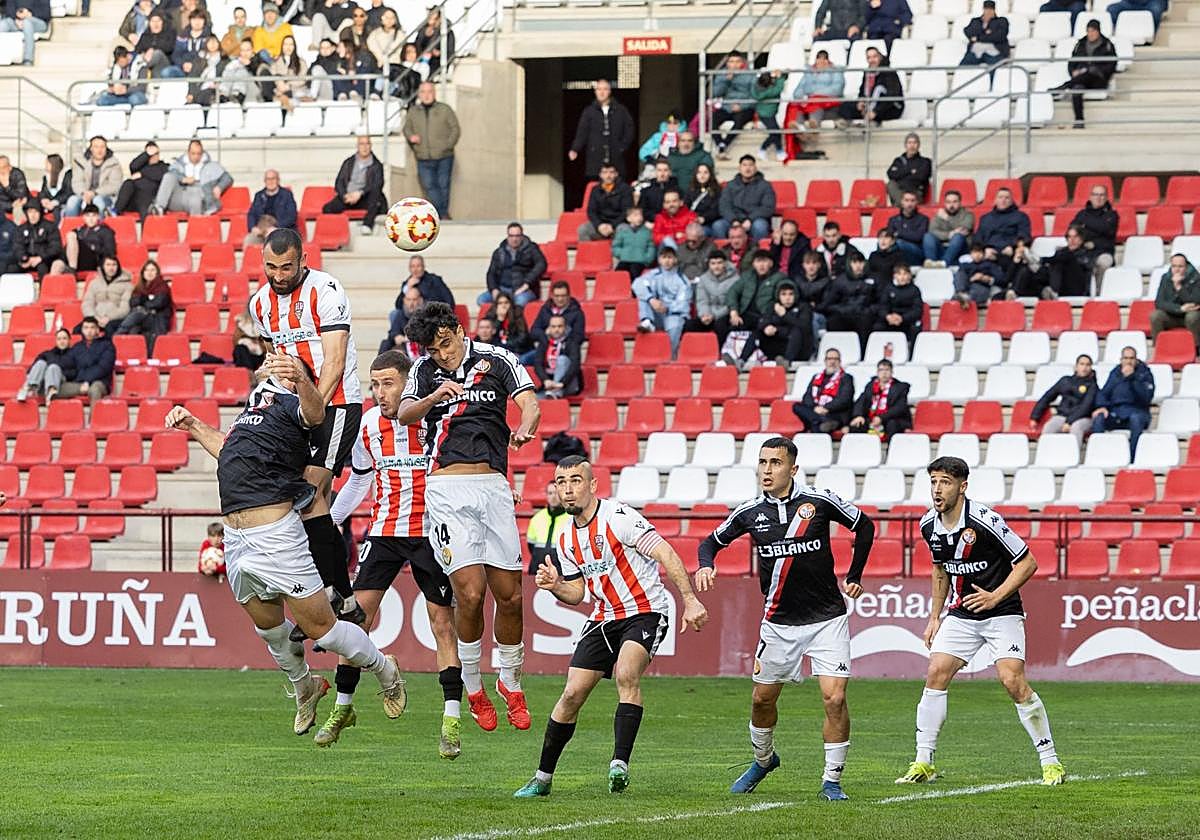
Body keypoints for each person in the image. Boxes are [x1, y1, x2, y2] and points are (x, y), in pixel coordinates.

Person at [165, 354, 407, 736]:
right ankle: (305, 687)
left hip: (275, 535)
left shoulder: (293, 404)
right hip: (237, 539)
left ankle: (384, 668)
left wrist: (301, 379)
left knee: (323, 631)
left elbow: (315, 415)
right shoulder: (252, 412)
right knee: (270, 629)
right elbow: (228, 450)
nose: (267, 361)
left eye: (278, 362)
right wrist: (193, 424)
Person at [516, 456, 708, 798]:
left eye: (576, 481)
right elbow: (577, 594)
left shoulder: (618, 518)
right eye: (561, 482)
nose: (568, 489)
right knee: (572, 694)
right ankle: (542, 779)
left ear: (592, 486)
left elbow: (664, 552)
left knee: (625, 673)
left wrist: (690, 600)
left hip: (645, 609)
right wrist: (556, 584)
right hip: (604, 616)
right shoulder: (564, 540)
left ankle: (619, 764)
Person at [697, 437, 873, 799]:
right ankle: (763, 760)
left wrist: (854, 575)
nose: (766, 469)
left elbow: (865, 526)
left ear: (792, 469)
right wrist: (705, 565)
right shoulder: (748, 512)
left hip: (827, 618)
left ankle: (832, 781)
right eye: (762, 462)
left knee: (834, 699)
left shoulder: (818, 501)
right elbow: (709, 543)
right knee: (762, 701)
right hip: (778, 623)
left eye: (775, 463)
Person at [397, 301, 541, 732]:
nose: (442, 354)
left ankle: (510, 682)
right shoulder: (424, 371)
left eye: (445, 343)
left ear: (459, 330)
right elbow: (402, 414)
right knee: (472, 594)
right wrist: (434, 395)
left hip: (494, 486)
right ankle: (474, 683)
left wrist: (526, 425)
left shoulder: (498, 359)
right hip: (446, 488)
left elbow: (529, 404)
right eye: (433, 349)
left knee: (511, 595)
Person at [324, 350, 465, 757]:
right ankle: (343, 708)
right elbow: (358, 481)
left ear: (408, 383)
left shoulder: (433, 419)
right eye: (374, 385)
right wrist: (328, 519)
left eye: (388, 383)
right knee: (355, 623)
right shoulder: (367, 425)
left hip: (429, 533)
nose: (380, 392)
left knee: (442, 624)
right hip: (384, 533)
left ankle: (451, 721)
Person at [897, 457, 1064, 787]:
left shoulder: (985, 520)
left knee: (1012, 681)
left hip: (1002, 611)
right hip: (963, 613)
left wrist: (995, 596)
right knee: (936, 672)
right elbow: (940, 569)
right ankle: (923, 761)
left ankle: (1051, 761)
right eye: (933, 481)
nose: (937, 488)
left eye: (944, 482)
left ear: (962, 487)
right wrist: (934, 617)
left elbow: (1028, 562)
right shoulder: (928, 524)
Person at [249, 228, 367, 631]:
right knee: (304, 502)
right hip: (293, 408)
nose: (278, 275)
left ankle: (334, 595)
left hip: (336, 403)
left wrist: (314, 408)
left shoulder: (327, 291)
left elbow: (334, 362)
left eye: (286, 267)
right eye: (270, 266)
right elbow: (275, 358)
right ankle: (341, 597)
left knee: (311, 492)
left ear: (303, 259)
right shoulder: (260, 303)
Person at [404, 81, 461, 220]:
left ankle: (441, 215)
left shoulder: (445, 109)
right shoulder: (413, 111)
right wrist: (411, 137)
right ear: (419, 94)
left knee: (443, 186)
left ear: (434, 93)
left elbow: (455, 129)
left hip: (444, 156)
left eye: (429, 91)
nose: (426, 95)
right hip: (423, 157)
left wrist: (447, 145)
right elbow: (407, 128)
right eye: (423, 92)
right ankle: (443, 214)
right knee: (429, 187)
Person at [1090, 346, 1154, 459]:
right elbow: (1104, 392)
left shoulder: (1144, 373)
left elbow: (1146, 397)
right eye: (1125, 358)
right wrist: (1102, 406)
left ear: (1136, 359)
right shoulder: (1115, 373)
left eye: (1131, 358)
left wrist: (1132, 378)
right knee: (1099, 418)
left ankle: (1133, 457)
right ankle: (1098, 455)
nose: (1128, 361)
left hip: (1138, 411)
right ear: (1121, 359)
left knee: (1136, 419)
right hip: (1116, 412)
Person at [724, 248, 785, 365]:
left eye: (764, 261)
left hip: (763, 316)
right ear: (753, 264)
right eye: (758, 261)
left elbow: (785, 290)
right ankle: (723, 357)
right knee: (721, 324)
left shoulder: (778, 277)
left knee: (757, 332)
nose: (761, 265)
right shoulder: (747, 276)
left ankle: (740, 361)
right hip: (744, 314)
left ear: (771, 263)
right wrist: (734, 311)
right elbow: (732, 292)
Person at [1054, 20, 1117, 129]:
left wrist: (1095, 70)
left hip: (1098, 79)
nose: (1090, 34)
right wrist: (1073, 72)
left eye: (1092, 31)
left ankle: (1064, 87)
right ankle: (1079, 120)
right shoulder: (1081, 44)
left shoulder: (1107, 45)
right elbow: (1072, 62)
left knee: (1088, 72)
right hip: (1081, 79)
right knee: (1077, 89)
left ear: (1098, 31)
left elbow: (1111, 65)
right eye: (1088, 31)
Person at [569, 78, 635, 181]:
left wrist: (622, 146)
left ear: (609, 91)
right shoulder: (589, 111)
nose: (602, 92)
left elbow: (629, 129)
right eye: (599, 89)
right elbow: (582, 132)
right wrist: (575, 149)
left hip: (615, 156)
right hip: (596, 157)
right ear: (595, 92)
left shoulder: (621, 110)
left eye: (605, 89)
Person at [633, 246, 692, 356]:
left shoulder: (682, 280)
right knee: (644, 297)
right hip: (655, 314)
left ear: (675, 260)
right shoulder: (653, 274)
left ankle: (670, 357)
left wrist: (666, 307)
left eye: (670, 257)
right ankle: (647, 321)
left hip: (672, 315)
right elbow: (637, 284)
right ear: (659, 260)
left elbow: (684, 304)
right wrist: (651, 299)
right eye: (664, 257)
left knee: (674, 326)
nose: (667, 261)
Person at [1030, 354, 1097, 447]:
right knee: (1049, 427)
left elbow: (1086, 407)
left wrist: (1069, 422)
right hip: (1062, 416)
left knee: (1076, 427)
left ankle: (1074, 455)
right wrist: (1035, 417)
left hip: (1083, 418)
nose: (1084, 367)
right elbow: (1047, 397)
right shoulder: (1065, 381)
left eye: (1088, 365)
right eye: (1082, 364)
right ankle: (1045, 454)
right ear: (1076, 366)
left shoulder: (1092, 385)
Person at [323, 135, 387, 234]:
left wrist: (360, 193)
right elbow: (339, 182)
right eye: (362, 144)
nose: (365, 147)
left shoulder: (377, 165)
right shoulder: (349, 162)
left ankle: (367, 225)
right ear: (357, 146)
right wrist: (345, 195)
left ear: (371, 146)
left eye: (367, 144)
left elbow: (378, 184)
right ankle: (335, 233)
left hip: (365, 198)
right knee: (327, 208)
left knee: (377, 196)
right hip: (348, 198)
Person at [151, 140, 233, 217]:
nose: (196, 156)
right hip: (180, 194)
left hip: (199, 195)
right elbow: (172, 173)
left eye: (199, 154)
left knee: (196, 197)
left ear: (202, 153)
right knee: (168, 176)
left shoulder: (211, 166)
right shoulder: (179, 164)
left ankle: (196, 229)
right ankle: (159, 207)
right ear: (188, 153)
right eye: (193, 153)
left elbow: (228, 178)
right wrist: (183, 179)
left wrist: (219, 187)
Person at [743, 280, 813, 368]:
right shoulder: (773, 306)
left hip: (798, 350)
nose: (787, 298)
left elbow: (804, 327)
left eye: (791, 294)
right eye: (783, 294)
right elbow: (762, 321)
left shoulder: (803, 307)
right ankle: (741, 360)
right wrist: (766, 327)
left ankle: (786, 361)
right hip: (776, 347)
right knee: (757, 333)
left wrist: (784, 315)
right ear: (778, 296)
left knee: (796, 331)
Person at [785, 50, 843, 146]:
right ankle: (800, 129)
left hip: (827, 101)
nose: (820, 64)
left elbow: (837, 89)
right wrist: (801, 97)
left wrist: (814, 93)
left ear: (827, 61)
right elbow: (799, 88)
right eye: (818, 61)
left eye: (823, 61)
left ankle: (814, 125)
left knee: (815, 103)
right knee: (795, 105)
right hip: (809, 100)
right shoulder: (809, 72)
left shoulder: (835, 71)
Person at [115, 260, 173, 352]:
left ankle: (116, 335)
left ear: (157, 273)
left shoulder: (162, 286)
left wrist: (143, 301)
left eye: (152, 270)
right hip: (143, 319)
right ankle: (131, 356)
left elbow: (158, 303)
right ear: (143, 273)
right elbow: (132, 303)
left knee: (139, 312)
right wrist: (146, 300)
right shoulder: (139, 287)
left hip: (157, 319)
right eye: (146, 270)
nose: (149, 273)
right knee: (133, 329)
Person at [482, 222, 545, 306]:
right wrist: (494, 289)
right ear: (507, 236)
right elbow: (491, 273)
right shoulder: (499, 252)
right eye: (511, 236)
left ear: (522, 236)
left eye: (517, 236)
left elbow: (541, 264)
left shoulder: (532, 249)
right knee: (481, 300)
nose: (514, 239)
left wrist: (527, 284)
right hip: (502, 289)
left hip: (524, 289)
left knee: (520, 301)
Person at [714, 154, 776, 241]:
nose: (747, 168)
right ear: (739, 168)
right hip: (734, 220)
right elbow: (724, 206)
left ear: (755, 168)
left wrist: (750, 220)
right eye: (744, 165)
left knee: (760, 226)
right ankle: (726, 252)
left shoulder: (765, 185)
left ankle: (757, 253)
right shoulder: (730, 185)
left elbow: (768, 207)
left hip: (755, 220)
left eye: (750, 165)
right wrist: (734, 220)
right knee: (718, 225)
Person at [794, 348, 855, 433]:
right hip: (815, 410)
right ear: (825, 361)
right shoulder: (816, 377)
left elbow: (844, 399)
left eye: (835, 359)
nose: (832, 362)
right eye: (829, 359)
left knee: (817, 424)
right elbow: (807, 397)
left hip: (833, 413)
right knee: (796, 406)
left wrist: (826, 408)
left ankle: (816, 423)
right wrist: (815, 408)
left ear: (840, 361)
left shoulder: (846, 378)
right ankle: (819, 421)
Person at [836, 47, 903, 125]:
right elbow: (862, 90)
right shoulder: (867, 72)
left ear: (880, 57)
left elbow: (891, 96)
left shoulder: (889, 72)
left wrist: (875, 111)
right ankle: (852, 124)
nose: (872, 60)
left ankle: (871, 121)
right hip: (870, 105)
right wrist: (860, 101)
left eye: (874, 56)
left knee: (879, 90)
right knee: (844, 106)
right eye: (869, 57)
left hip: (891, 107)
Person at [825, 251, 876, 351]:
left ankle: (863, 354)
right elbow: (829, 304)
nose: (858, 266)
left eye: (860, 262)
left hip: (864, 315)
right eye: (855, 262)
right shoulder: (839, 281)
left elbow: (880, 301)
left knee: (866, 321)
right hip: (844, 314)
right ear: (849, 264)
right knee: (833, 321)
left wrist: (869, 310)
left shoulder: (874, 279)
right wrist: (843, 310)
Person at [709, 51, 757, 158]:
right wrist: (726, 80)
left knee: (739, 120)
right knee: (713, 120)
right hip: (727, 107)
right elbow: (715, 93)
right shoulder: (722, 74)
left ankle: (725, 144)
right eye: (731, 61)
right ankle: (720, 144)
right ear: (727, 63)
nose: (734, 64)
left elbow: (755, 96)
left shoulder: (750, 75)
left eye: (737, 61)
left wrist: (741, 106)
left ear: (742, 63)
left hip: (744, 107)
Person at [686, 250, 738, 346]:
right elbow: (702, 300)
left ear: (725, 264)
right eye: (713, 263)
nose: (716, 266)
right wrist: (705, 314)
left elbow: (733, 303)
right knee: (689, 325)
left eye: (719, 263)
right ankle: (695, 353)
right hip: (708, 314)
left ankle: (721, 354)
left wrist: (714, 315)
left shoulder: (736, 279)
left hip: (726, 314)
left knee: (720, 325)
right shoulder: (703, 279)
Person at [849, 358, 911, 438]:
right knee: (857, 425)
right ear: (877, 372)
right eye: (881, 370)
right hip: (872, 417)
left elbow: (899, 408)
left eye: (887, 370)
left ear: (892, 372)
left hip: (891, 418)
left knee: (892, 425)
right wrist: (858, 415)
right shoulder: (870, 386)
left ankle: (891, 450)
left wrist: (881, 418)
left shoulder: (900, 387)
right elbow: (861, 401)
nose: (884, 373)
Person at [56, 316, 115, 400]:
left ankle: (94, 413)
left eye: (92, 327)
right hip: (80, 383)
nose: (89, 331)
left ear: (98, 330)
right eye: (86, 328)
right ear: (82, 330)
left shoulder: (107, 345)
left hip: (99, 382)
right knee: (53, 387)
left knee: (94, 389)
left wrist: (86, 380)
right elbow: (67, 364)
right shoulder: (77, 347)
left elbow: (103, 368)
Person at [1070, 184, 1118, 285]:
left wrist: (1087, 227)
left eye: (1102, 195)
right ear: (1090, 197)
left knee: (1104, 262)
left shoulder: (1112, 215)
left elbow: (1106, 229)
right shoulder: (1082, 213)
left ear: (1106, 197)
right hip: (1083, 250)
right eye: (1095, 194)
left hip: (1103, 251)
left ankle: (1099, 293)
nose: (1098, 198)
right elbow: (1072, 230)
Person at [65, 136, 122, 218]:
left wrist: (95, 193)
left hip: (105, 196)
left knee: (98, 201)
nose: (99, 150)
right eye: (96, 147)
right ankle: (71, 229)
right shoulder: (81, 162)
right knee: (72, 201)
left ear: (106, 148)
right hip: (84, 195)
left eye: (102, 147)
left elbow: (114, 186)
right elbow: (77, 182)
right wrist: (84, 193)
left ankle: (99, 229)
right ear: (91, 148)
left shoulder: (114, 164)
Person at [1149, 255, 1200, 345]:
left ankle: (1196, 349)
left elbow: (1195, 301)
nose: (1177, 269)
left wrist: (1179, 287)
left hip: (1192, 315)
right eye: (1174, 266)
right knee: (1155, 315)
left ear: (1186, 266)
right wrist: (1180, 308)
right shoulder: (1165, 278)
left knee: (1192, 317)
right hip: (1172, 315)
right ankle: (1158, 347)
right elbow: (1159, 303)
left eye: (1180, 266)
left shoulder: (1196, 278)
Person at [578, 162, 632, 243]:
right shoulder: (595, 190)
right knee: (583, 229)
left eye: (611, 172)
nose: (608, 175)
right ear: (600, 175)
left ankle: (619, 254)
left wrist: (613, 226)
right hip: (600, 224)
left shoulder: (625, 189)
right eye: (605, 172)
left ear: (616, 174)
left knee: (625, 230)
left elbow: (627, 211)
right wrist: (599, 225)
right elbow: (591, 211)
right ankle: (589, 254)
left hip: (618, 224)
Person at [16, 327, 74, 402]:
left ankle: (51, 392)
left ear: (69, 340)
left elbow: (75, 372)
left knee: (53, 367)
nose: (62, 341)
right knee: (41, 363)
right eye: (59, 339)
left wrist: (60, 371)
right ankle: (28, 387)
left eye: (64, 338)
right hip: (42, 384)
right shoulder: (47, 354)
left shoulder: (74, 355)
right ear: (56, 341)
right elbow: (34, 367)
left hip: (61, 383)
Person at [525, 482, 570, 575]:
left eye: (557, 493)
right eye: (550, 493)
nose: (553, 496)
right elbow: (531, 545)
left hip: (562, 570)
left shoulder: (571, 519)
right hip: (537, 567)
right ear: (546, 495)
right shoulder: (537, 518)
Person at [114, 142, 168, 220]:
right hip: (132, 200)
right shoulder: (139, 166)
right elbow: (133, 166)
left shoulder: (163, 166)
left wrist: (142, 174)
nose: (153, 156)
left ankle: (145, 232)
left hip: (148, 200)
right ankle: (115, 211)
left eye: (156, 153)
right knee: (128, 183)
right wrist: (147, 154)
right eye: (150, 154)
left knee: (144, 202)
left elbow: (160, 174)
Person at [533, 314, 582, 399]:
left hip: (567, 384)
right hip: (549, 386)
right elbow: (537, 364)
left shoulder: (572, 342)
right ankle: (553, 393)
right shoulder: (544, 343)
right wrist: (545, 380)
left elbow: (575, 365)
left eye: (560, 326)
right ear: (549, 328)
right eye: (553, 326)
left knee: (562, 359)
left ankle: (555, 392)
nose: (556, 329)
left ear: (565, 328)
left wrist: (562, 383)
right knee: (532, 400)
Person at [975, 188, 1031, 260]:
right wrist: (984, 249)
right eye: (1000, 197)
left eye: (1007, 198)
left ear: (1011, 201)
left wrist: (1013, 247)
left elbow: (1023, 236)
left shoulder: (1021, 217)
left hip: (1010, 251)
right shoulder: (985, 218)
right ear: (995, 200)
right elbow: (978, 238)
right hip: (989, 252)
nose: (1003, 200)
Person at [873, 263, 922, 345]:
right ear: (894, 276)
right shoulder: (888, 289)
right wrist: (887, 316)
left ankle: (912, 355)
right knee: (877, 327)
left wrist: (902, 318)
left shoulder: (915, 290)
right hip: (890, 320)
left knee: (915, 328)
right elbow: (882, 306)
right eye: (899, 274)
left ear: (910, 275)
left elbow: (917, 310)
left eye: (905, 274)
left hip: (907, 320)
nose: (902, 277)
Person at [923, 189, 974, 267]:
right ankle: (931, 263)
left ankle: (944, 262)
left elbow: (963, 229)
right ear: (944, 203)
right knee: (928, 236)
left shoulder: (968, 215)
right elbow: (932, 231)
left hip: (960, 251)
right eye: (948, 202)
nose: (951, 205)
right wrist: (949, 234)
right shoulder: (939, 215)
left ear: (960, 203)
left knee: (958, 237)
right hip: (942, 248)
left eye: (955, 202)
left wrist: (947, 218)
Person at [1042, 225, 1096, 299]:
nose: (1072, 240)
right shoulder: (1061, 252)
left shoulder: (1087, 253)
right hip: (1062, 285)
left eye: (1075, 237)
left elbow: (1087, 268)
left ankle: (1054, 292)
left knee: (1065, 259)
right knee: (1039, 271)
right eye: (1069, 237)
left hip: (1078, 288)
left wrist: (1042, 260)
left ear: (1081, 239)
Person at [15, 204, 66, 278]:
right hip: (28, 260)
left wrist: (41, 258)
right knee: (12, 268)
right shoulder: (21, 229)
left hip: (46, 259)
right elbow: (18, 247)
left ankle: (44, 289)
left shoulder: (50, 227)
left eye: (35, 212)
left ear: (40, 213)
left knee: (42, 268)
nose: (33, 215)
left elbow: (56, 247)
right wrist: (24, 258)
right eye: (30, 212)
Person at [530, 280, 586, 346]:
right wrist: (546, 335)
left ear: (568, 296)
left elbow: (578, 337)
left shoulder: (577, 313)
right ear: (552, 296)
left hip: (566, 351)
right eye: (557, 296)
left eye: (563, 296)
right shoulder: (545, 310)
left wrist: (561, 334)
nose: (560, 299)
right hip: (545, 348)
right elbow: (534, 331)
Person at [482, 291, 534, 360]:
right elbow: (490, 338)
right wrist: (499, 320)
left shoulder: (517, 314)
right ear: (496, 305)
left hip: (518, 351)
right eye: (500, 303)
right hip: (500, 352)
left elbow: (522, 338)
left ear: (510, 304)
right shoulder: (491, 316)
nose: (503, 306)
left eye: (506, 303)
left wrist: (505, 346)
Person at [65, 206, 117, 275]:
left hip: (94, 260)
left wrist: (94, 248)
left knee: (71, 236)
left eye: (94, 216)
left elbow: (111, 251)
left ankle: (72, 270)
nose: (91, 219)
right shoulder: (80, 230)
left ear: (98, 217)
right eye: (88, 216)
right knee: (57, 264)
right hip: (78, 260)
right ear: (83, 217)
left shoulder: (106, 231)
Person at [953, 241, 1006, 306]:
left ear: (983, 254)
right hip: (967, 287)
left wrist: (988, 279)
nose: (977, 255)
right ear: (970, 254)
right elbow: (960, 279)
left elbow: (1002, 279)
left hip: (982, 286)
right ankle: (962, 295)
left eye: (979, 252)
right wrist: (972, 279)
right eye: (975, 252)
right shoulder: (965, 266)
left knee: (978, 291)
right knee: (959, 274)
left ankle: (963, 299)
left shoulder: (990, 265)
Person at [885, 133, 930, 207]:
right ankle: (903, 204)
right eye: (909, 143)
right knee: (891, 184)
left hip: (915, 193)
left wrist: (901, 175)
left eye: (915, 142)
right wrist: (910, 171)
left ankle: (901, 205)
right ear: (905, 145)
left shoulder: (925, 161)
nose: (912, 145)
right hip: (899, 192)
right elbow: (890, 174)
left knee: (900, 202)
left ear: (918, 145)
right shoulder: (898, 160)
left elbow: (921, 177)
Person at [960, 0, 1010, 67]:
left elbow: (999, 36)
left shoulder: (1001, 21)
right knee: (963, 67)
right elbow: (967, 31)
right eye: (986, 9)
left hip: (994, 52)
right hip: (976, 52)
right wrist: (987, 33)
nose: (988, 12)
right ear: (983, 10)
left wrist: (978, 38)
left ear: (994, 10)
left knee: (997, 70)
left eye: (991, 9)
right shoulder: (976, 21)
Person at [0, 0, 50, 66]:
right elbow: (9, 9)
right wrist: (15, 18)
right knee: (3, 24)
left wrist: (30, 14)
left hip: (37, 21)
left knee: (27, 23)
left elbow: (46, 13)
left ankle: (28, 59)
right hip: (16, 20)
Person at [885, 191, 929, 266]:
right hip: (896, 250)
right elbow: (890, 236)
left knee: (899, 243)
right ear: (902, 202)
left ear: (917, 202)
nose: (909, 204)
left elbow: (918, 237)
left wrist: (899, 233)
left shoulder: (923, 219)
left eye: (912, 201)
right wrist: (906, 234)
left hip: (916, 252)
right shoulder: (893, 220)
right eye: (907, 200)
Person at [248, 169, 297, 234]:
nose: (270, 181)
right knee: (249, 240)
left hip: (282, 230)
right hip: (261, 230)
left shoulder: (287, 195)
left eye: (273, 178)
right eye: (268, 179)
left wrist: (277, 228)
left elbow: (291, 216)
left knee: (272, 240)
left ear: (278, 180)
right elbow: (252, 214)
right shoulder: (259, 195)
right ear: (264, 181)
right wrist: (253, 227)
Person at [753, 70, 787, 162]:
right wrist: (779, 77)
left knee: (775, 131)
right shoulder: (769, 91)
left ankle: (779, 152)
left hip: (766, 113)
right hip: (766, 114)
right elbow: (778, 88)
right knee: (775, 132)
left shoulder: (758, 86)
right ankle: (763, 150)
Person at [666, 132, 714, 196]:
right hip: (674, 197)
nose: (686, 144)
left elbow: (707, 177)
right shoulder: (671, 157)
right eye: (683, 140)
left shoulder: (703, 156)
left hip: (697, 195)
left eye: (690, 141)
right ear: (678, 143)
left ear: (694, 143)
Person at [411, 5, 454, 77]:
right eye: (430, 16)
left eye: (435, 18)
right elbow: (416, 45)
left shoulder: (447, 32)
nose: (432, 20)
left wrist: (439, 53)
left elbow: (450, 51)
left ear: (440, 19)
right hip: (421, 59)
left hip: (436, 61)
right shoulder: (422, 31)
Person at [634, 159, 677, 225]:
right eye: (659, 170)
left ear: (670, 172)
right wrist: (656, 218)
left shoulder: (677, 190)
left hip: (672, 224)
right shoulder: (646, 191)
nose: (662, 174)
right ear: (655, 172)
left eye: (665, 170)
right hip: (651, 224)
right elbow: (642, 210)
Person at [270, 34, 307, 110]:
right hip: (279, 91)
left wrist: (289, 85)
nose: (288, 47)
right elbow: (272, 75)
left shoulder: (301, 62)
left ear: (294, 47)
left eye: (291, 44)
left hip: (296, 91)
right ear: (282, 46)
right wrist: (280, 84)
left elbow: (302, 79)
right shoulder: (276, 62)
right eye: (286, 44)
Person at [684, 163, 721, 236]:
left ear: (710, 174)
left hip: (710, 223)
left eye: (705, 172)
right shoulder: (690, 189)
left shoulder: (717, 190)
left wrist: (704, 218)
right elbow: (686, 207)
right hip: (693, 221)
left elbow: (716, 210)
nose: (702, 175)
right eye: (699, 172)